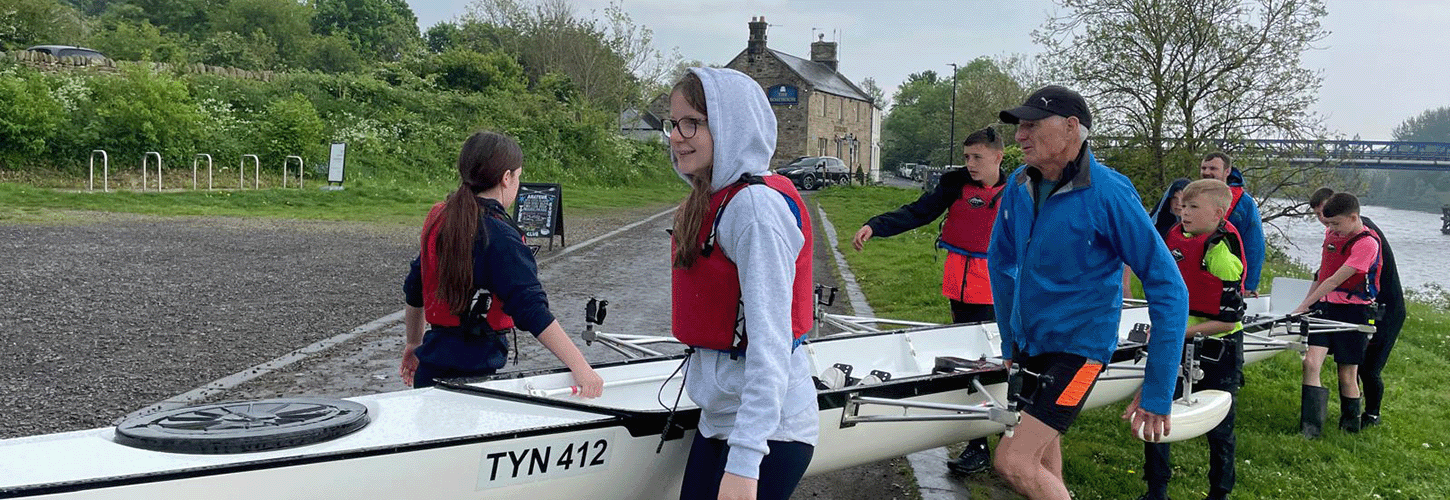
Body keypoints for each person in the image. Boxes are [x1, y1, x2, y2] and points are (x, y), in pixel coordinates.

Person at [991, 85, 1188, 500]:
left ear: (1070, 127)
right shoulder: (1018, 185)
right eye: (1018, 126)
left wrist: (1158, 387)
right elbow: (1001, 264)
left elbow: (1168, 287)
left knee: (1013, 461)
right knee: (1043, 460)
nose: (1019, 136)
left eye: (1030, 125)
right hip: (1032, 343)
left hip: (1080, 350)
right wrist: (1011, 340)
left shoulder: (1109, 193)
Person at [667, 68, 818, 500]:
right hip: (720, 420)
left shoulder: (755, 211)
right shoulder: (709, 199)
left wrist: (745, 462)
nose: (677, 136)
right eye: (674, 123)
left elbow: (770, 345)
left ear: (730, 125)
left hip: (771, 432)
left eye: (692, 123)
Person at [400, 131, 603, 397]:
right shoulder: (500, 236)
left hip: (430, 369)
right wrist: (581, 368)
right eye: (518, 177)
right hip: (474, 379)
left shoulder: (441, 217)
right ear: (506, 178)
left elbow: (416, 286)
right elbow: (530, 308)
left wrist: (413, 343)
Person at [851, 127, 1006, 475]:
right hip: (961, 288)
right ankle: (978, 443)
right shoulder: (955, 185)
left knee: (994, 364)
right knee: (969, 363)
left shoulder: (1021, 191)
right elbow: (919, 211)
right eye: (966, 157)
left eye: (977, 157)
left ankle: (997, 441)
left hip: (999, 291)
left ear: (998, 156)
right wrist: (875, 225)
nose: (970, 164)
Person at [1131, 179, 1247, 500]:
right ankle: (1157, 490)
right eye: (1183, 205)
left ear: (1218, 213)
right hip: (1177, 342)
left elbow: (1229, 320)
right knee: (1157, 409)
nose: (1185, 212)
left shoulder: (1222, 253)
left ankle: (1219, 494)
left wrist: (1179, 332)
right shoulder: (1175, 239)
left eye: (1194, 207)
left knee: (1220, 430)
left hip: (1217, 349)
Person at [1309, 188, 1405, 429]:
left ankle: (1371, 414)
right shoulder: (1337, 231)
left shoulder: (1365, 234)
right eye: (1320, 217)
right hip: (1349, 303)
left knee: (1368, 368)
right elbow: (1327, 271)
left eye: (1326, 216)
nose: (1325, 223)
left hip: (1384, 306)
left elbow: (1349, 273)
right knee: (1350, 365)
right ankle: (1348, 414)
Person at [1290, 192, 1381, 437]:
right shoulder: (1332, 234)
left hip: (1353, 311)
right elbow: (1322, 274)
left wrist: (1303, 306)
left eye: (1336, 224)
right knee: (1310, 362)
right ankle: (1310, 428)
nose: (1332, 229)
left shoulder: (1367, 244)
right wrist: (1307, 303)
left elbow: (1334, 279)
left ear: (1353, 217)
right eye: (1328, 224)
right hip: (1326, 307)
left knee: (1347, 373)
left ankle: (1350, 427)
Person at [1199, 153, 1266, 295]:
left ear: (1227, 171)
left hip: (1228, 275)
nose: (1206, 172)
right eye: (1204, 168)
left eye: (1213, 168)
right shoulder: (1194, 197)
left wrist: (1249, 285)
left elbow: (1254, 245)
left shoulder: (1244, 203)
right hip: (1198, 273)